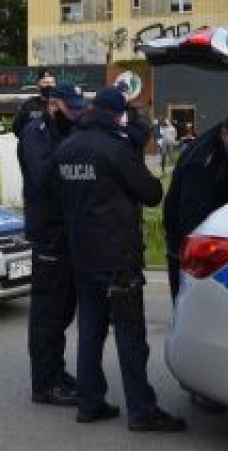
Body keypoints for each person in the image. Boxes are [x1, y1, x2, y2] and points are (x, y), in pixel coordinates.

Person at [47, 88, 185, 433]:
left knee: (90, 332)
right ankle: (141, 410)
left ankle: (89, 402)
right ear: (115, 114)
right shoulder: (115, 148)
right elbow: (151, 194)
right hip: (118, 256)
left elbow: (52, 195)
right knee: (130, 334)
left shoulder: (66, 148)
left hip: (82, 254)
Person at [18, 83, 86, 406]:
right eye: (70, 107)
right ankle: (44, 383)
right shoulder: (35, 133)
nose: (76, 113)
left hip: (71, 231)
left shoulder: (71, 130)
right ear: (53, 104)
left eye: (79, 107)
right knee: (47, 313)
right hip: (48, 233)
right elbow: (45, 176)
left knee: (63, 310)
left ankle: (56, 372)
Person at [163, 111, 228, 303]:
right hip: (189, 238)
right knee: (191, 306)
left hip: (227, 233)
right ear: (224, 134)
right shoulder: (200, 162)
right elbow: (192, 218)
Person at [12, 68, 56, 138]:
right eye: (45, 83)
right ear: (38, 86)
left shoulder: (62, 105)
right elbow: (17, 129)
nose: (49, 85)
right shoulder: (28, 105)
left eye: (52, 83)